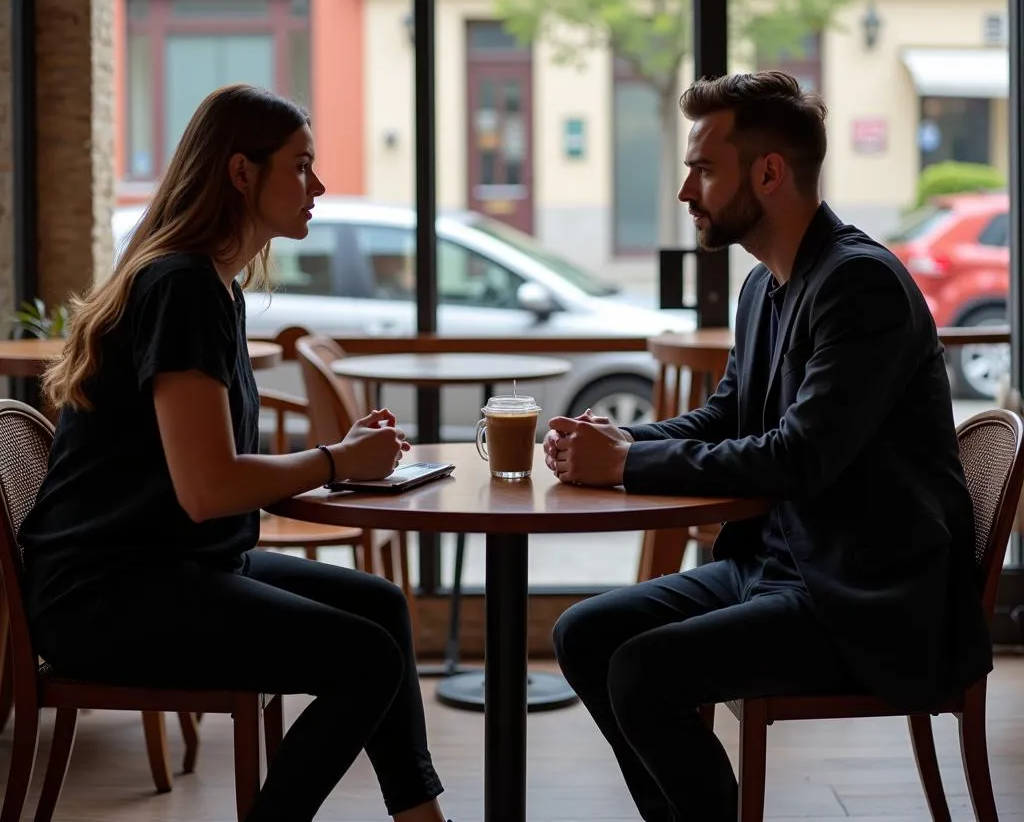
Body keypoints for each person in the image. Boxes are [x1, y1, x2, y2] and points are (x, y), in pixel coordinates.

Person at [544, 71, 992, 822]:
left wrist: (624, 466)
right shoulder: (764, 286)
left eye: (704, 169)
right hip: (776, 570)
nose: (687, 191)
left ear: (770, 173)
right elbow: (726, 417)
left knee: (643, 672)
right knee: (585, 634)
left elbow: (797, 457)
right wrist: (620, 440)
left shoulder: (861, 286)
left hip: (865, 599)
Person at [19, 84, 452, 822]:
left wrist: (339, 453)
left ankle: (420, 816)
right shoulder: (181, 287)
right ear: (242, 173)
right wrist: (338, 463)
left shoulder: (214, 288)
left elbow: (205, 474)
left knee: (379, 606)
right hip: (107, 596)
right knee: (365, 659)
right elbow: (208, 488)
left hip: (172, 565)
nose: (318, 187)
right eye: (301, 166)